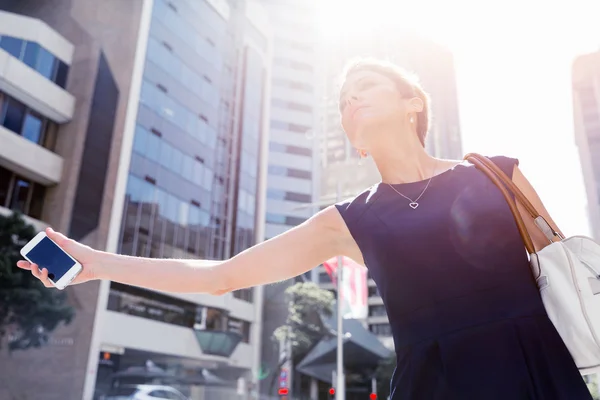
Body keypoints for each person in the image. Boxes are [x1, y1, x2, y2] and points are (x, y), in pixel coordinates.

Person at [18, 58, 592, 399]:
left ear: (413, 103)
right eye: (344, 101)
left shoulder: (496, 174)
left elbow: (571, 281)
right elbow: (223, 275)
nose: (352, 100)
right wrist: (95, 264)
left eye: (365, 87)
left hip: (537, 369)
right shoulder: (349, 220)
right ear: (352, 136)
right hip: (434, 385)